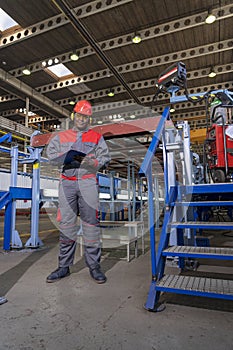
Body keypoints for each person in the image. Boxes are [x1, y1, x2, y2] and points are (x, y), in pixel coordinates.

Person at [46, 100, 111, 284]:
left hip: (87, 181)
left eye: (85, 116)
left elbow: (105, 157)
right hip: (67, 182)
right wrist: (62, 159)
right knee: (67, 225)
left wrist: (94, 162)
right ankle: (64, 267)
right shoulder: (61, 136)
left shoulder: (96, 137)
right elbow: (50, 155)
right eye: (79, 115)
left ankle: (94, 267)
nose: (82, 119)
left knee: (91, 224)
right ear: (74, 116)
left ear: (89, 119)